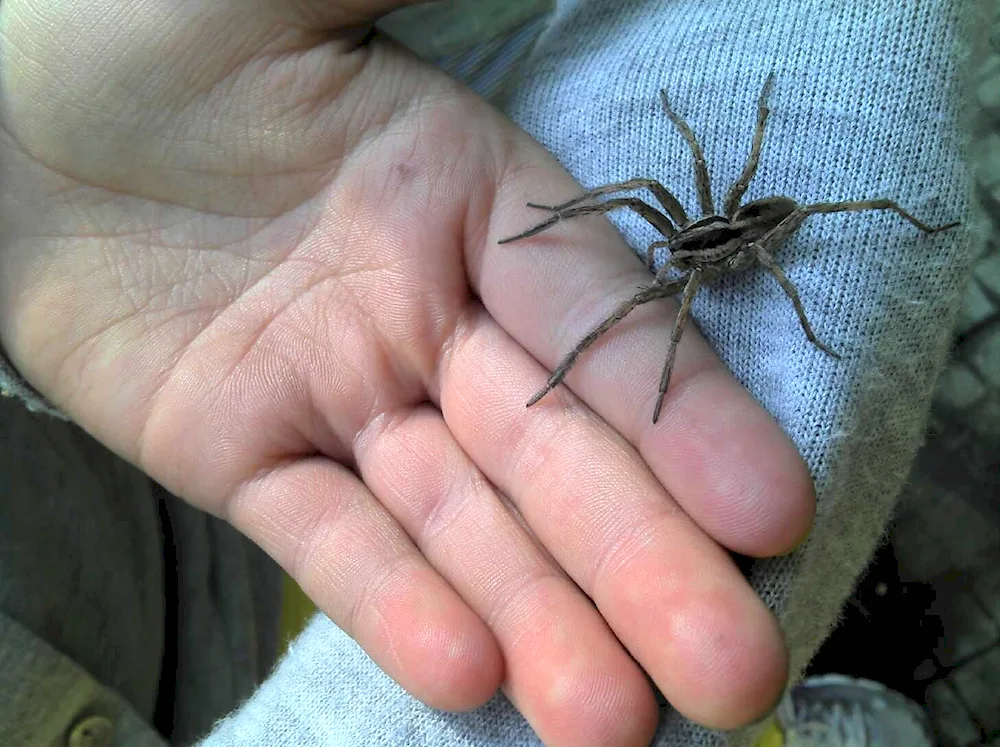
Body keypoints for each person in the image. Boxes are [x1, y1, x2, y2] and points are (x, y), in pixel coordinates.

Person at [0, 1, 974, 745]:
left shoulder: (735, 248)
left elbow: (694, 270)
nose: (674, 262)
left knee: (723, 282)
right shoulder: (680, 249)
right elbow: (647, 202)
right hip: (192, 520)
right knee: (642, 267)